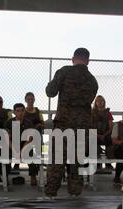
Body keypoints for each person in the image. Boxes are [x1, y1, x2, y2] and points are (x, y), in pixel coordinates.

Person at [44, 47, 98, 197]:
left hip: (63, 125)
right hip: (82, 128)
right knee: (77, 162)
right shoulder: (92, 81)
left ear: (73, 59)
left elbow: (50, 92)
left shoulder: (64, 72)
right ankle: (75, 194)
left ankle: (51, 194)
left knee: (56, 161)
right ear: (88, 61)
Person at [5, 103, 39, 186]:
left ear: (25, 112)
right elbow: (7, 139)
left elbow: (29, 139)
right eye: (18, 111)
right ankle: (5, 176)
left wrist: (21, 151)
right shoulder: (9, 123)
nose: (20, 113)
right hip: (12, 146)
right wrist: (14, 150)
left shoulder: (28, 123)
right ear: (14, 112)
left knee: (31, 154)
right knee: (5, 155)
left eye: (22, 111)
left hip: (25, 146)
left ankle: (33, 176)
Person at [90, 95, 113, 171]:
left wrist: (104, 135)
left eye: (102, 101)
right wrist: (97, 135)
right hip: (95, 134)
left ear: (104, 102)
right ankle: (97, 164)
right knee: (93, 143)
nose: (100, 102)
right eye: (98, 101)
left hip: (105, 134)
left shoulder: (108, 113)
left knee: (110, 142)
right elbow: (90, 127)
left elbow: (110, 128)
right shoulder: (92, 113)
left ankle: (108, 164)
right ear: (95, 103)